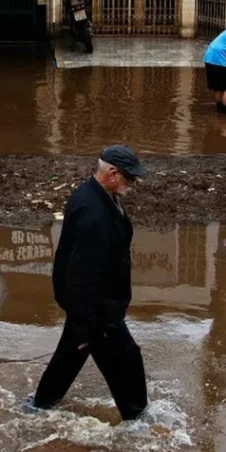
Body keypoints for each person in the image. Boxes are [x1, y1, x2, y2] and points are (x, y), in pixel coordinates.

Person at [30, 145, 148, 421]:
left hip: (90, 304)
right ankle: (138, 422)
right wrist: (86, 323)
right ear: (112, 173)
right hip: (97, 308)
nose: (133, 183)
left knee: (70, 355)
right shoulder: (93, 212)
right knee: (126, 358)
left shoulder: (98, 195)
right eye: (129, 177)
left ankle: (40, 406)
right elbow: (83, 271)